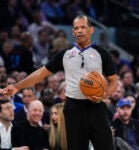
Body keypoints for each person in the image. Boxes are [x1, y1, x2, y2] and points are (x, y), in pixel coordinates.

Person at [0, 15, 118, 150]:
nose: (79, 31)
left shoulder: (102, 53)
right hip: (74, 108)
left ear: (91, 30)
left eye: (83, 27)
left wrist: (104, 94)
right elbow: (41, 73)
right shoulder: (65, 54)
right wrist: (16, 86)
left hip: (96, 107)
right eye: (76, 28)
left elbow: (113, 80)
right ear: (73, 32)